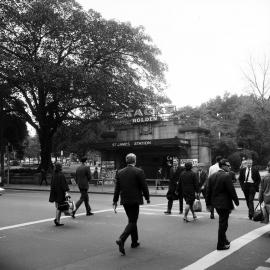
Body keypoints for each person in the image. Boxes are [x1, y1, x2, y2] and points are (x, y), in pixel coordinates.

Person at [113, 153, 150, 255]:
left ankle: (134, 242)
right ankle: (122, 238)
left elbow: (117, 188)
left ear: (126, 161)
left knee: (131, 220)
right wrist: (147, 198)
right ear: (135, 161)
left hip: (124, 200)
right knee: (133, 221)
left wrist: (115, 200)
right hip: (135, 200)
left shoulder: (119, 172)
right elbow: (144, 186)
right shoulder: (139, 171)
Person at [206, 159, 239, 251]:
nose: (229, 167)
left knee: (222, 222)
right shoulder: (226, 176)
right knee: (223, 224)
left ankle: (225, 240)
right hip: (225, 204)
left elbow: (208, 191)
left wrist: (208, 203)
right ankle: (220, 245)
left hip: (216, 204)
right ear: (223, 166)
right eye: (228, 166)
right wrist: (236, 201)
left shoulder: (212, 176)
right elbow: (231, 190)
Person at [49, 162, 70, 226]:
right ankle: (57, 220)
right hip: (60, 193)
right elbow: (64, 185)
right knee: (59, 207)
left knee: (58, 206)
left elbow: (52, 184)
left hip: (54, 192)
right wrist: (66, 192)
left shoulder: (54, 174)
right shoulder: (61, 175)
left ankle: (57, 220)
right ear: (60, 167)